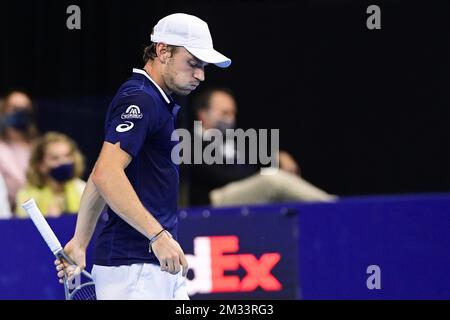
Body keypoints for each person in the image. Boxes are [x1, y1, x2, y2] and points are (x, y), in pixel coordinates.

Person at [55, 13, 231, 300]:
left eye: (204, 66)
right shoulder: (141, 99)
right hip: (133, 271)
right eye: (193, 63)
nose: (201, 74)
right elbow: (107, 174)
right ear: (162, 50)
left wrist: (80, 241)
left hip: (153, 267)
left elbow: (103, 170)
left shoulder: (155, 100)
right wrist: (158, 236)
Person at [189, 87, 336, 206]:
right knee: (272, 180)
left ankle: (327, 210)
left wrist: (278, 156)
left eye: (233, 113)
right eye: (225, 113)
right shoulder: (189, 141)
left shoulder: (233, 141)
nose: (231, 118)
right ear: (203, 114)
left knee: (277, 182)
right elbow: (222, 175)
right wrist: (262, 176)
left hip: (240, 192)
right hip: (213, 199)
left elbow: (255, 160)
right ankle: (333, 206)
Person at [15, 132, 86, 218]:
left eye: (67, 156)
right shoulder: (27, 196)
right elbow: (22, 227)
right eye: (55, 158)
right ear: (40, 164)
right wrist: (49, 219)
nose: (64, 162)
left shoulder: (82, 188)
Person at [0, 90, 38, 212]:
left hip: (40, 209)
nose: (20, 112)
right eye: (15, 108)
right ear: (3, 110)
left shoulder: (38, 147)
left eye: (25, 108)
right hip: (9, 214)